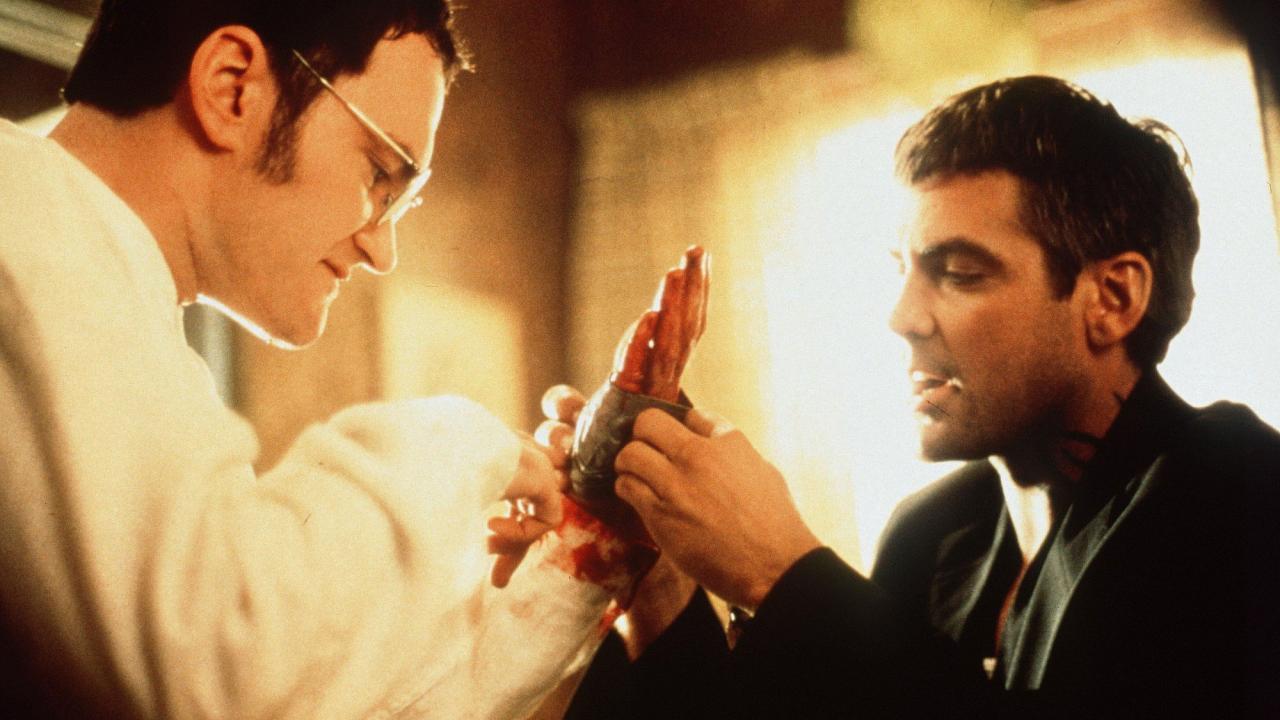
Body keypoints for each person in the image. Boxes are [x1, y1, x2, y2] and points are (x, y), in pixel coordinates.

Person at [559, 75, 1280, 718]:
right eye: (901, 270)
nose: (901, 316)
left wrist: (780, 572)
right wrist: (656, 572)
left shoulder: (1241, 496)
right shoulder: (932, 536)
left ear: (1113, 298)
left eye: (960, 273)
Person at [0, 1, 572, 717]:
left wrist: (561, 586)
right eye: (379, 174)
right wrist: (459, 445)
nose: (382, 249)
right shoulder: (27, 222)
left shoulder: (110, 297)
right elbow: (217, 666)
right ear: (231, 86)